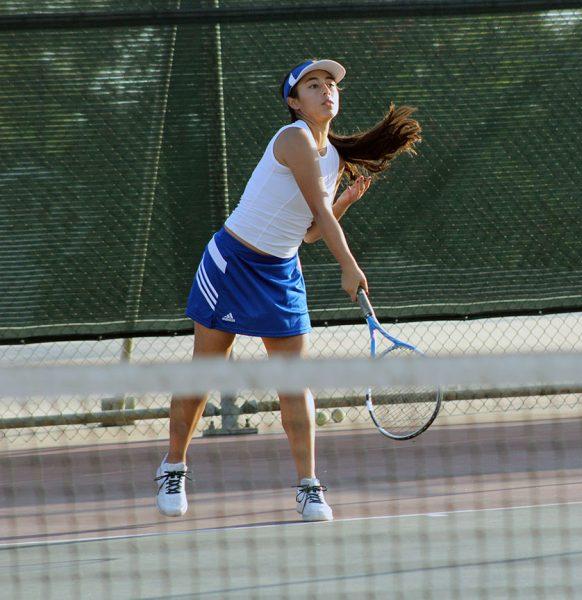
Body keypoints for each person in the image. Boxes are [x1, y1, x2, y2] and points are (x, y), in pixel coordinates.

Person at [154, 58, 421, 521]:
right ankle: (173, 465)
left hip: (280, 272)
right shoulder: (294, 139)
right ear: (294, 103)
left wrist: (344, 204)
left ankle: (309, 486)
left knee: (294, 383)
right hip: (232, 265)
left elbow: (309, 232)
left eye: (331, 84)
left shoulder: (334, 158)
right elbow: (315, 212)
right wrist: (349, 267)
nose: (326, 91)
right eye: (313, 85)